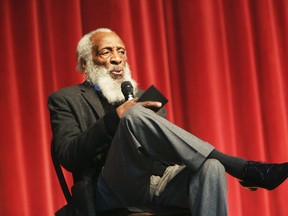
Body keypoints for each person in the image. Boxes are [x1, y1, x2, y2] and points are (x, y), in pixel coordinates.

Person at [48, 28, 288, 216]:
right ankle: (242, 168)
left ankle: (230, 166)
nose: (117, 58)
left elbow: (167, 153)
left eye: (121, 51)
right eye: (106, 51)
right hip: (112, 188)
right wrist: (116, 118)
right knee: (133, 115)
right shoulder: (65, 99)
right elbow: (68, 155)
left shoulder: (144, 97)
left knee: (211, 168)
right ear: (86, 60)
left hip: (159, 183)